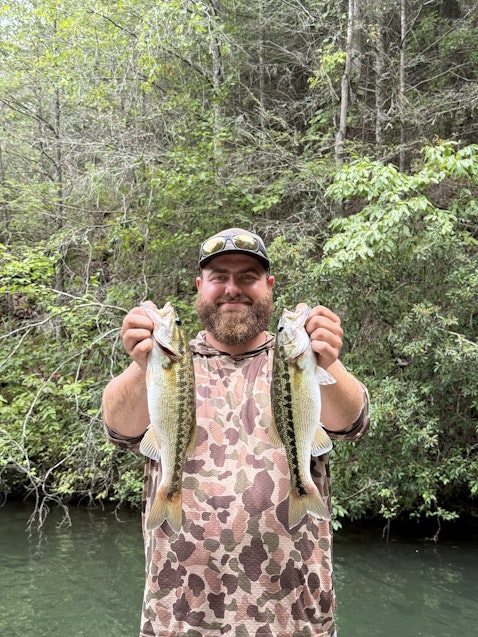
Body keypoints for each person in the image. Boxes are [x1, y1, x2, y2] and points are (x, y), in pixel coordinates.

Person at [102, 228, 370, 637]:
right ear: (200, 286)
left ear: (269, 286)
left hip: (296, 622)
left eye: (248, 276)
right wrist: (142, 365)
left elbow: (353, 422)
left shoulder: (299, 358)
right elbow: (118, 429)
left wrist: (327, 361)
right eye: (219, 277)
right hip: (179, 620)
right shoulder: (168, 363)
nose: (233, 288)